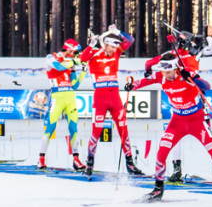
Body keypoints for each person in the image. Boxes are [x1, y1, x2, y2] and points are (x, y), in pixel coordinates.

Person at [127, 56, 212, 201]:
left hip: (197, 121)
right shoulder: (160, 76)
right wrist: (131, 86)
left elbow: (206, 86)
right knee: (161, 153)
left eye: (168, 72)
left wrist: (193, 79)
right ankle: (158, 189)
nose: (165, 75)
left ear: (175, 69)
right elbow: (142, 82)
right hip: (177, 122)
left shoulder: (186, 74)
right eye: (163, 71)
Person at [146, 29, 212, 183]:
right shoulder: (187, 53)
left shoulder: (190, 52)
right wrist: (208, 36)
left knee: (203, 132)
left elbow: (148, 63)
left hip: (193, 95)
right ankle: (185, 169)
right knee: (199, 132)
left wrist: (147, 72)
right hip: (187, 95)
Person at [79, 25, 142, 176]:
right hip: (100, 99)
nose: (114, 50)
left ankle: (130, 164)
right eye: (111, 47)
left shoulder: (117, 53)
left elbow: (130, 41)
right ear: (105, 44)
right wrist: (91, 45)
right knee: (96, 131)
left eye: (115, 47)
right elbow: (82, 59)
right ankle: (89, 163)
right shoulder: (94, 54)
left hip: (115, 98)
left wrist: (117, 32)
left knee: (123, 130)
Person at [39, 39, 86, 171]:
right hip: (57, 97)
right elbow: (58, 67)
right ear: (69, 49)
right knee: (50, 127)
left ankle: (76, 159)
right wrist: (73, 62)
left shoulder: (70, 63)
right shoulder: (51, 57)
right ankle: (41, 158)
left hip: (70, 98)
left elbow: (75, 85)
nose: (75, 54)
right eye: (74, 51)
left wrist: (83, 72)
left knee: (73, 129)